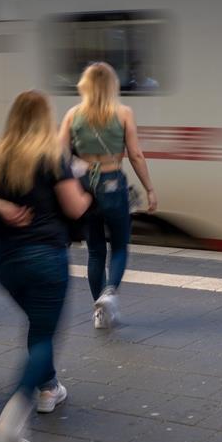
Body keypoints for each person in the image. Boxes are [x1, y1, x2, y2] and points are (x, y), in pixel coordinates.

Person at [0, 91, 94, 442]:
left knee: (36, 325)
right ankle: (12, 423)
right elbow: (75, 209)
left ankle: (48, 388)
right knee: (44, 336)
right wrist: (87, 186)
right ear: (45, 119)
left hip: (6, 262)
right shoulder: (52, 158)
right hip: (45, 259)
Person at [58, 62, 157, 329]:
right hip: (113, 182)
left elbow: (59, 157)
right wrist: (149, 188)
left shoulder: (72, 115)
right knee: (120, 245)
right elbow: (135, 155)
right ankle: (109, 293)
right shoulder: (123, 113)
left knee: (95, 251)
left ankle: (99, 314)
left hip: (84, 187)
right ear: (112, 85)